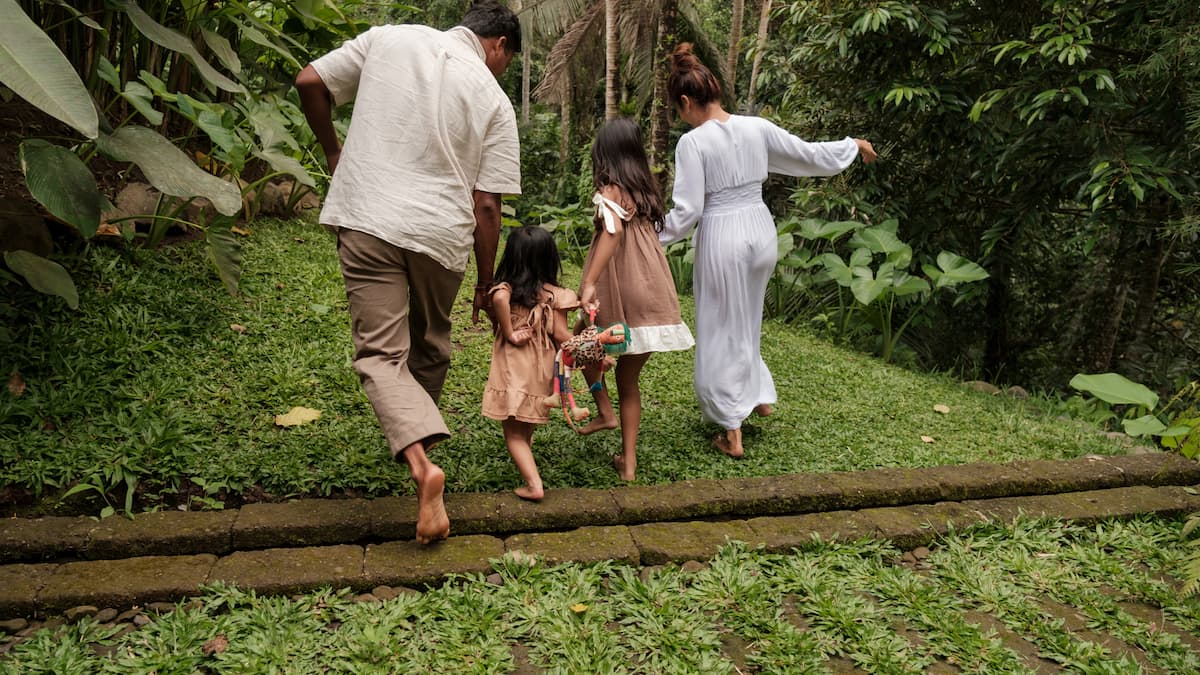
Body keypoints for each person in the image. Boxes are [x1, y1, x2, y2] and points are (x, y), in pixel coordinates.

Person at [294, 1, 522, 544]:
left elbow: (309, 81)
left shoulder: (389, 38)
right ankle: (419, 451)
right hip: (440, 236)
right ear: (500, 46)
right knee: (431, 347)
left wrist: (333, 151)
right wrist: (485, 284)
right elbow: (486, 206)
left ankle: (420, 464)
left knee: (380, 355)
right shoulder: (495, 98)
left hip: (368, 214)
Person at [659, 43, 877, 459]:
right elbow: (808, 155)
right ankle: (758, 393)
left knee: (720, 326)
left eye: (678, 108)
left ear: (686, 101)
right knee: (747, 318)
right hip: (760, 230)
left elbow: (687, 212)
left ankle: (730, 429)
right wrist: (852, 145)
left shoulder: (693, 143)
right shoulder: (756, 126)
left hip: (723, 233)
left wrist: (648, 238)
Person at [578, 118, 696, 481]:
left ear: (605, 155)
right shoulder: (645, 192)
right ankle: (628, 463)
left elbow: (612, 234)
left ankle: (604, 411)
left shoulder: (610, 190)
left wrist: (589, 283)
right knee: (629, 382)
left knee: (579, 345)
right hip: (653, 288)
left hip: (619, 287)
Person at [481, 226, 580, 501]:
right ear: (550, 258)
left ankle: (534, 484)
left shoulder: (507, 290)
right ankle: (527, 456)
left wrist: (510, 332)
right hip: (542, 367)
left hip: (514, 365)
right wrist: (588, 350)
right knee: (525, 422)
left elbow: (498, 297)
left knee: (512, 432)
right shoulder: (555, 295)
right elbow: (561, 335)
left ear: (511, 257)